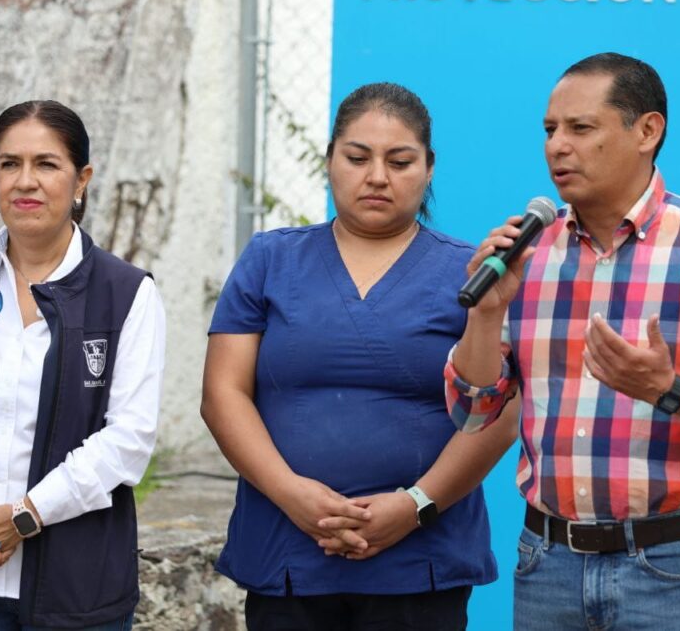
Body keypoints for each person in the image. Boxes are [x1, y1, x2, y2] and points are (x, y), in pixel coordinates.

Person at [446, 53, 680, 630]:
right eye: (550, 130)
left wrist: (671, 391)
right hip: (547, 567)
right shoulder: (525, 254)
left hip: (677, 569)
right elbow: (471, 412)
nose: (556, 147)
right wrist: (486, 316)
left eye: (580, 128)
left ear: (647, 131)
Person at [201, 82, 518, 630]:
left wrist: (416, 504)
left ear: (429, 168)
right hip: (288, 552)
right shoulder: (270, 260)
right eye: (357, 157)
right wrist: (292, 494)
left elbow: (500, 412)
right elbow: (222, 393)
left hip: (421, 562)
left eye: (400, 161)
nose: (377, 176)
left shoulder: (476, 276)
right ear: (329, 161)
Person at [0, 100, 166, 630]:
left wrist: (28, 514)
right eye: (9, 164)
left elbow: (128, 441)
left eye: (46, 164)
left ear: (81, 179)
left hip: (77, 581)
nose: (26, 181)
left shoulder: (127, 294)